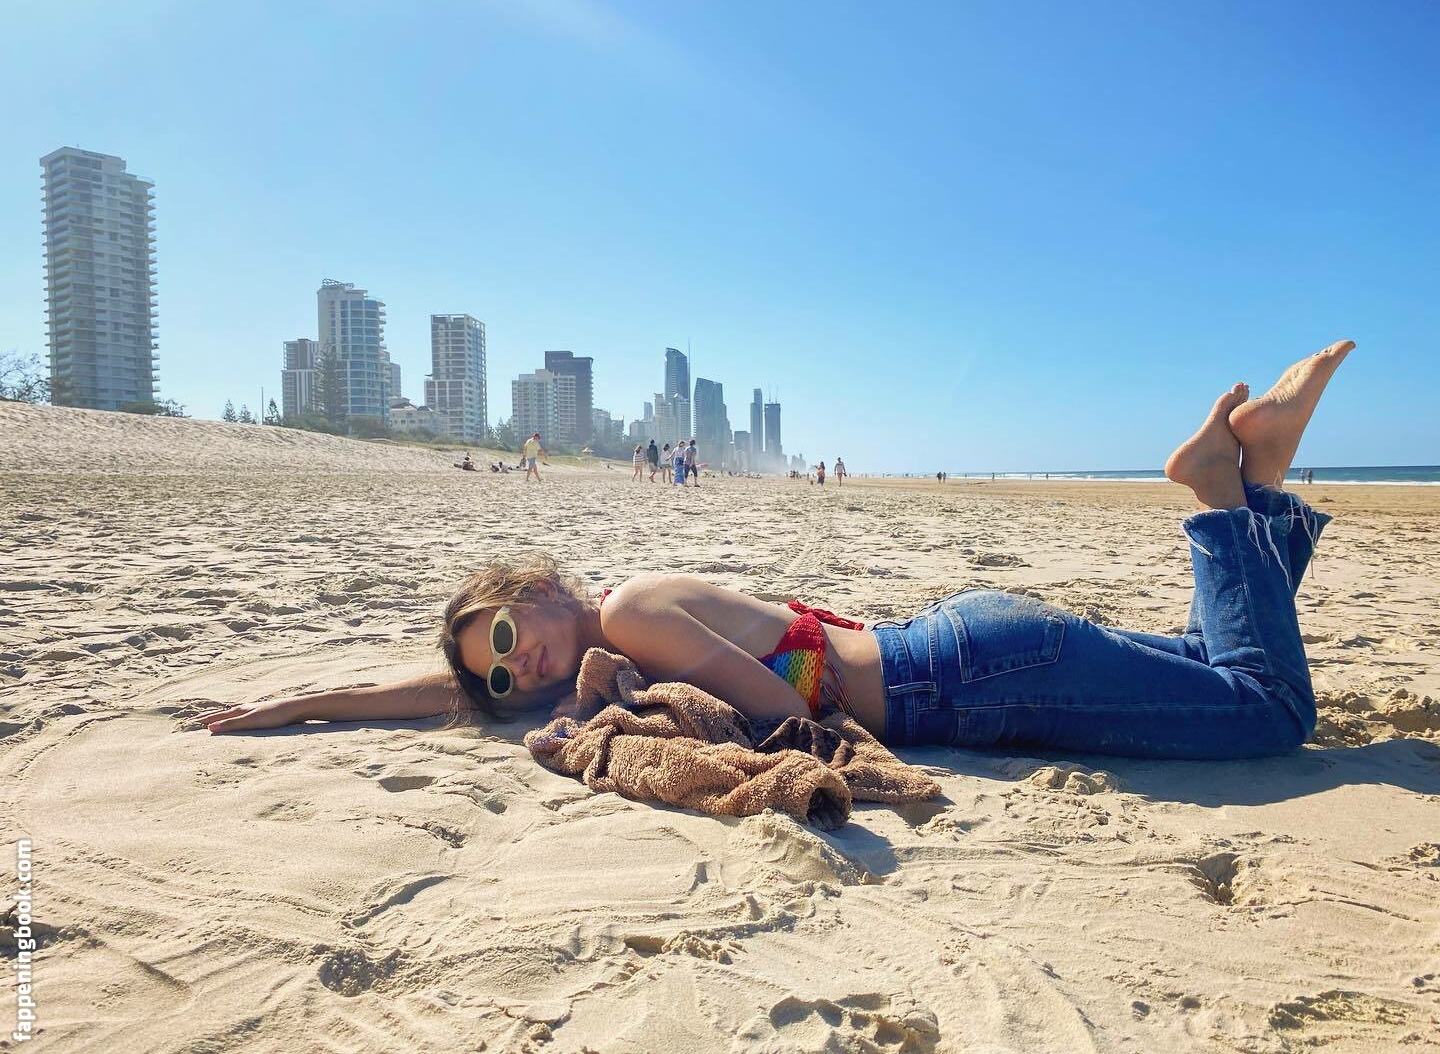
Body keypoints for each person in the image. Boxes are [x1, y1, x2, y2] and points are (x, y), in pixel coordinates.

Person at [199, 343, 1354, 760]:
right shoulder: (614, 626)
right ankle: (1260, 478)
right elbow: (451, 696)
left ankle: (1223, 495)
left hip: (964, 681)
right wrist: (311, 704)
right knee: (1218, 668)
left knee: (1266, 715)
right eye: (501, 672)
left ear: (539, 587)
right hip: (968, 653)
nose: (517, 666)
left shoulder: (629, 616)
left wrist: (809, 759)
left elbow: (784, 708)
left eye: (507, 633)